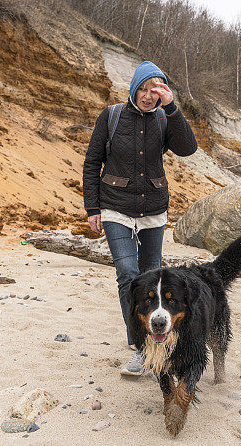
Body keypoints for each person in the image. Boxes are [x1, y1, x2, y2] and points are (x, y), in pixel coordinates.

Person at [82, 60, 198, 376]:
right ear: (134, 87)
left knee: (152, 277)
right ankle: (139, 346)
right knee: (127, 274)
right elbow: (92, 161)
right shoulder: (112, 115)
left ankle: (157, 337)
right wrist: (92, 208)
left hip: (154, 210)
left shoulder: (164, 118)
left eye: (155, 91)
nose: (148, 96)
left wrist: (172, 107)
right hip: (115, 206)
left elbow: (188, 148)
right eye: (143, 89)